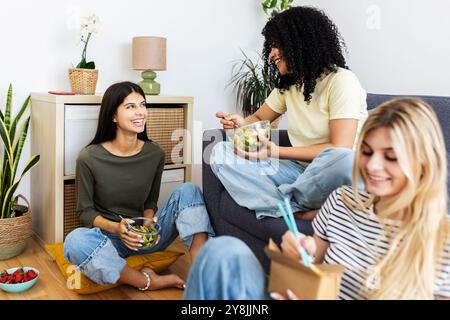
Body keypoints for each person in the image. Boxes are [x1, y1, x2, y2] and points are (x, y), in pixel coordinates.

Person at [184, 98, 450, 300]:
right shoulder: (341, 201)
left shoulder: (442, 238)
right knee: (222, 251)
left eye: (391, 157)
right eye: (367, 152)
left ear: (424, 163)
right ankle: (284, 203)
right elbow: (314, 262)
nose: (373, 167)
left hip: (306, 167)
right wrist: (302, 250)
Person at [211, 6, 368, 220]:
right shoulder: (287, 86)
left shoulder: (341, 81)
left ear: (299, 42)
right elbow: (258, 118)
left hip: (332, 173)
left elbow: (339, 148)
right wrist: (241, 123)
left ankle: (288, 198)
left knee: (342, 158)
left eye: (277, 45)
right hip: (299, 172)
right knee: (220, 152)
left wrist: (275, 152)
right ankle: (296, 211)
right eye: (271, 46)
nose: (271, 54)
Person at [63, 81, 214, 291]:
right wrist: (118, 228)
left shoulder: (155, 153)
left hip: (147, 236)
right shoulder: (88, 157)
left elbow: (150, 200)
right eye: (130, 106)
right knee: (74, 241)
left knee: (189, 190)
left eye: (143, 105)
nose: (141, 112)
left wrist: (150, 221)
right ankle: (147, 281)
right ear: (113, 116)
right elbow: (86, 212)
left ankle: (201, 271)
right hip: (112, 240)